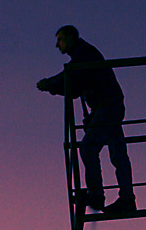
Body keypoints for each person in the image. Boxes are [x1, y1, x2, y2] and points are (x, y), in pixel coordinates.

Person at [37, 25, 136, 214]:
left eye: (60, 39)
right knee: (118, 154)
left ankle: (98, 195)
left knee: (89, 148)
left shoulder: (84, 54)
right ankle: (126, 199)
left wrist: (49, 84)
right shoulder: (84, 55)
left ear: (71, 38)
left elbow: (71, 77)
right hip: (108, 106)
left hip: (107, 106)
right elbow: (74, 88)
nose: (57, 45)